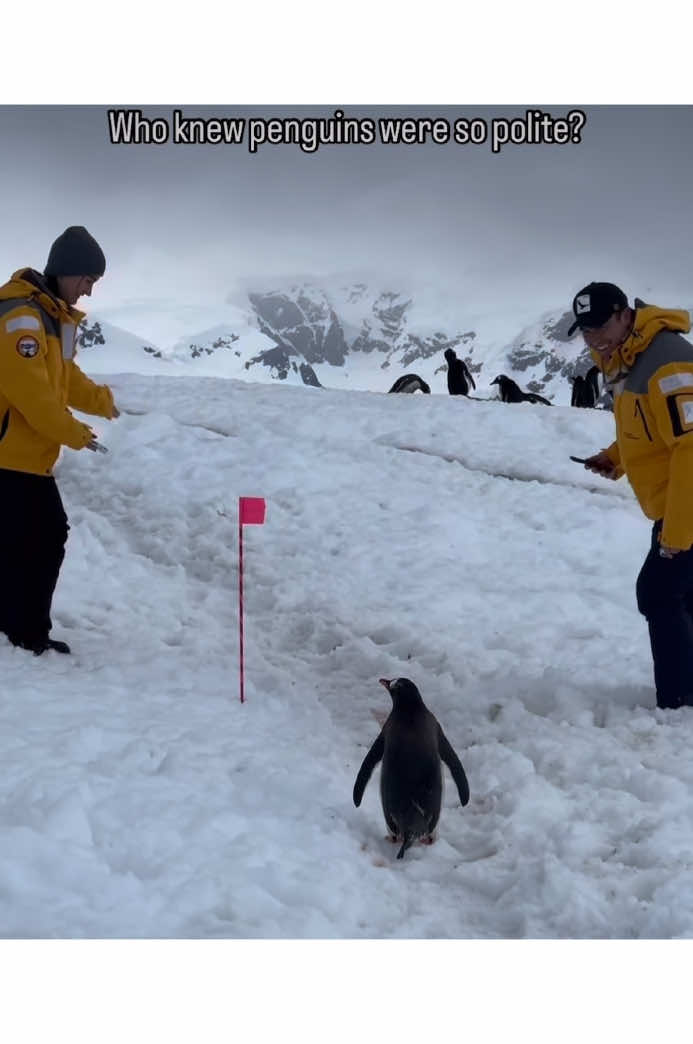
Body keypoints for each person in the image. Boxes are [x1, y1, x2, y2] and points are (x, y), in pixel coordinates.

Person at [568, 280, 693, 709]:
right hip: (675, 503)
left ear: (625, 315)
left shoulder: (667, 363)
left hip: (687, 505)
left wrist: (677, 534)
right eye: (585, 331)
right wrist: (615, 458)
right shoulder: (624, 357)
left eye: (600, 327)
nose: (593, 339)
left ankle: (679, 700)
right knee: (682, 595)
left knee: (658, 593)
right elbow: (649, 431)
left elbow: (692, 449)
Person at [0, 226, 119, 655]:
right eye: (87, 279)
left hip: (29, 458)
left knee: (29, 540)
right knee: (43, 538)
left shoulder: (55, 317)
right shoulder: (22, 318)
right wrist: (75, 433)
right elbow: (32, 395)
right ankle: (26, 632)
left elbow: (65, 378)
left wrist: (102, 402)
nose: (88, 291)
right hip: (8, 456)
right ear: (67, 271)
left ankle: (19, 625)